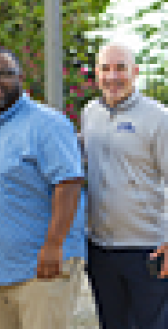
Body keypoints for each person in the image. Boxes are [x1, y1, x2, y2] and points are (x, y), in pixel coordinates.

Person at [0, 48, 86, 329]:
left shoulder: (47, 123)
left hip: (41, 267)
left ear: (21, 78)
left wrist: (54, 243)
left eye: (4, 74)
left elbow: (69, 183)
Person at [82, 43, 168, 328]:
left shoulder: (158, 117)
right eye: (106, 68)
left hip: (147, 249)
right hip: (101, 249)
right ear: (97, 73)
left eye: (120, 68)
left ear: (135, 72)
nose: (113, 76)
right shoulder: (89, 114)